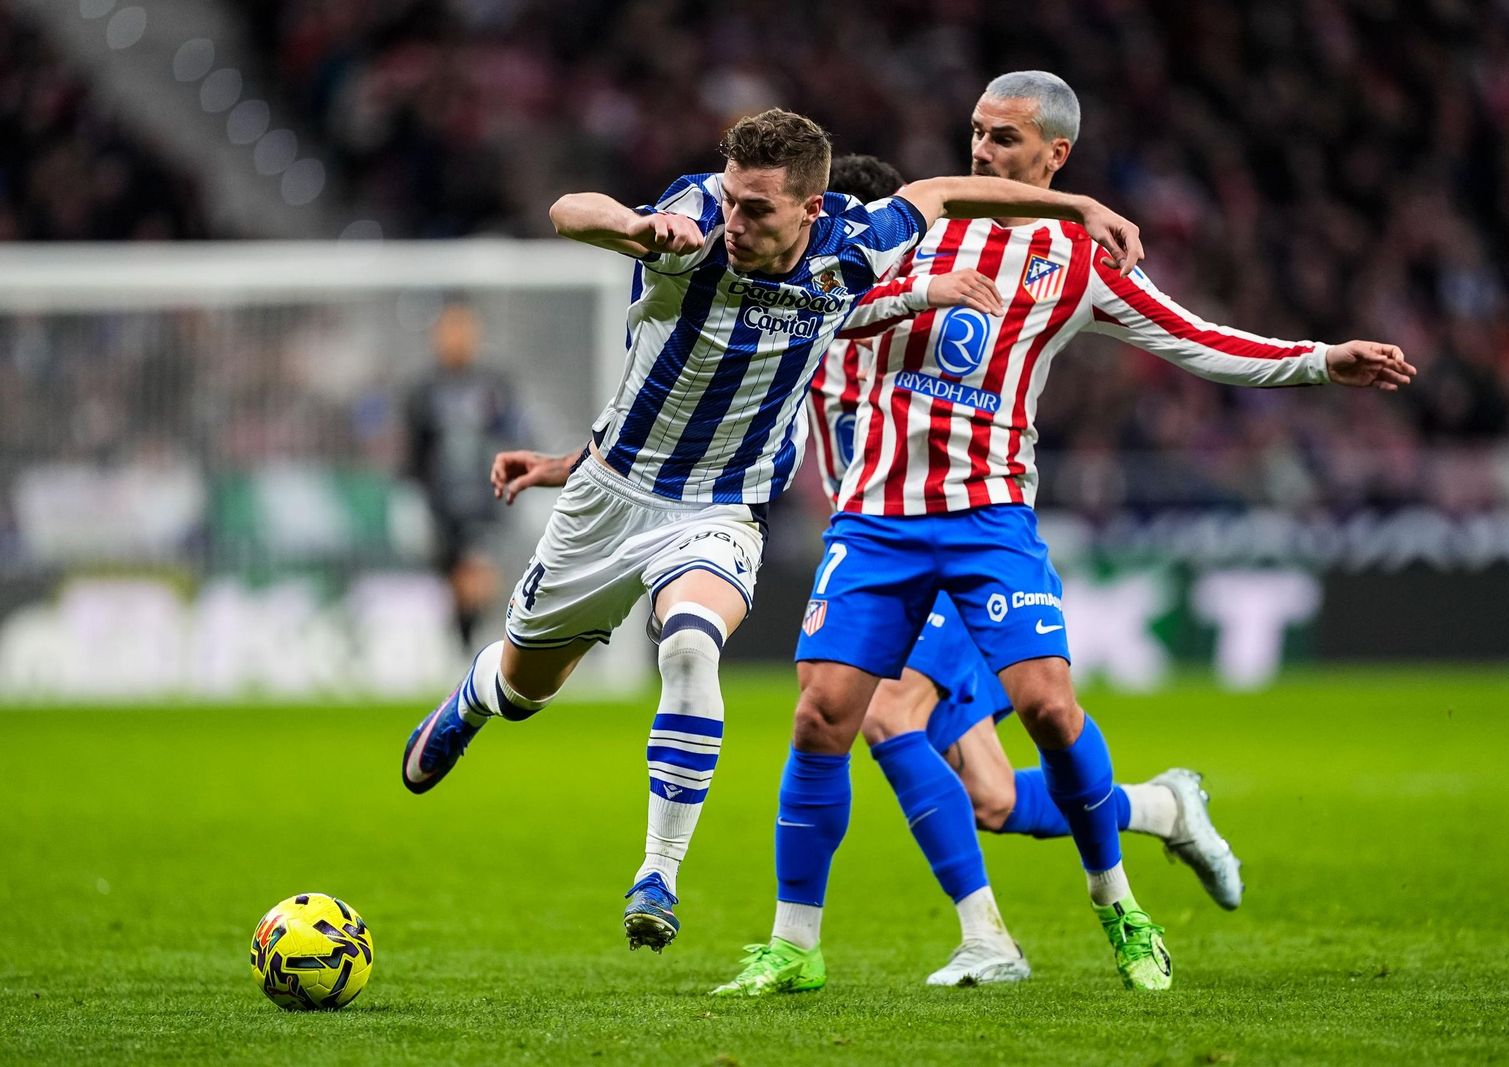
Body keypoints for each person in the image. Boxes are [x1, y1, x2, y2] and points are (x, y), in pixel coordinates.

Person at [712, 73, 1414, 997]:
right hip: (876, 520)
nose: (981, 152)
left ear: (1055, 157)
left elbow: (1196, 338)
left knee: (1045, 707)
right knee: (828, 720)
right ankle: (797, 945)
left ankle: (1115, 904)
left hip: (987, 516)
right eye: (975, 133)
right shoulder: (909, 229)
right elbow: (805, 307)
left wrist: (1322, 360)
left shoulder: (1078, 260)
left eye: (1005, 140)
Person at [399, 106, 1148, 955]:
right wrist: (648, 226)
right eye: (730, 198)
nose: (736, 219)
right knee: (528, 682)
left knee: (687, 642)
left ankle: (658, 875)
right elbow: (571, 211)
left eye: (758, 208)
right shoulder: (694, 226)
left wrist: (1077, 207)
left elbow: (942, 192)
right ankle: (476, 699)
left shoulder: (855, 244)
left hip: (722, 508)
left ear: (811, 206)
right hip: (612, 496)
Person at [813, 155, 1242, 988]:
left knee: (889, 714)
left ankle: (990, 938)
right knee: (995, 799)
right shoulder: (820, 323)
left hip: (957, 537)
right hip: (882, 543)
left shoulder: (926, 289)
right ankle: (1162, 806)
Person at [402, 297, 520, 651]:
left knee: (478, 575)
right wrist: (410, 499)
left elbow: (511, 436)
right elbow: (414, 451)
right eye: (450, 329)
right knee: (453, 582)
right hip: (441, 505)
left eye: (464, 328)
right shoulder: (423, 390)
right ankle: (462, 645)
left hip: (486, 499)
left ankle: (480, 645)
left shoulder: (494, 384)